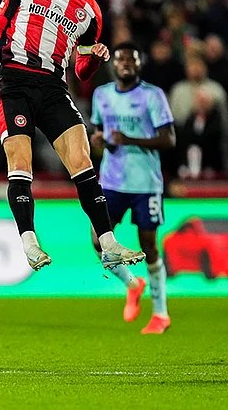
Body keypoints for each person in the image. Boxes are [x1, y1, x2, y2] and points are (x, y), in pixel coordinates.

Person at [0, 0, 145, 271]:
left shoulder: (91, 12)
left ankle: (108, 243)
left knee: (82, 158)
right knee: (20, 163)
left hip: (52, 87)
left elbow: (81, 71)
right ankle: (29, 241)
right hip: (14, 81)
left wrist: (94, 55)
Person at [90, 44, 176, 334]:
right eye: (120, 59)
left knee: (149, 246)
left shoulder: (153, 95)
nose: (125, 63)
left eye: (131, 59)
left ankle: (161, 315)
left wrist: (130, 139)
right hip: (112, 181)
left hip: (145, 183)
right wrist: (99, 141)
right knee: (98, 240)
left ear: (139, 64)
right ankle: (132, 283)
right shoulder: (101, 95)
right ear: (113, 65)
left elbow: (169, 140)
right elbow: (98, 132)